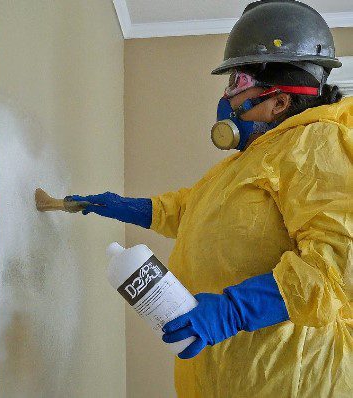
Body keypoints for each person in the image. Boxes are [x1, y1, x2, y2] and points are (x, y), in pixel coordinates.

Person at [73, 1, 352, 396]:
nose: (227, 98)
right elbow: (198, 210)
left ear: (279, 100)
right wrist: (134, 208)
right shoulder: (253, 159)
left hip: (291, 377)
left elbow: (338, 266)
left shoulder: (316, 144)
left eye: (238, 83)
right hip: (231, 375)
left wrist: (235, 310)